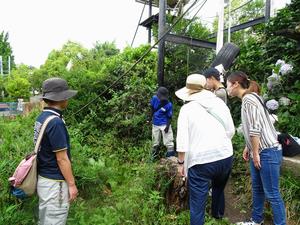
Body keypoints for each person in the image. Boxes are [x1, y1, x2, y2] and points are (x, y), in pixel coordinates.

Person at [226, 71, 286, 225]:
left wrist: (255, 152)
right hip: (260, 151)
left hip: (268, 152)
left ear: (235, 84)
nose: (227, 89)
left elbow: (255, 128)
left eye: (228, 85)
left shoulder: (249, 99)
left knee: (272, 194)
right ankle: (256, 220)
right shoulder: (251, 98)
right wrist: (249, 148)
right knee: (258, 189)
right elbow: (254, 126)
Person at [176, 74, 235, 225]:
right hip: (225, 156)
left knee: (197, 205)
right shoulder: (219, 103)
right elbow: (231, 131)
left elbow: (182, 140)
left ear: (188, 91)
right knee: (218, 188)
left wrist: (180, 163)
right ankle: (218, 216)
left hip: (201, 162)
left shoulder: (186, 109)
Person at [35, 77, 78, 225]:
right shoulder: (56, 122)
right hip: (55, 185)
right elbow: (62, 159)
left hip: (43, 180)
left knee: (45, 220)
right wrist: (71, 185)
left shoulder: (42, 117)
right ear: (61, 98)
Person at [149, 86, 175, 160]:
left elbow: (169, 117)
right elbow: (152, 109)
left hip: (164, 124)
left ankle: (170, 158)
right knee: (155, 141)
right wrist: (149, 118)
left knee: (169, 142)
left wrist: (167, 127)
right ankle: (153, 158)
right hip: (155, 123)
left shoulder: (169, 104)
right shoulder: (154, 98)